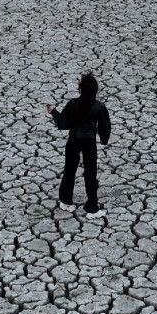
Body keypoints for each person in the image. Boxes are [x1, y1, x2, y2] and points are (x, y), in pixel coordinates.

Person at [47, 72, 112, 217]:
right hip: (89, 142)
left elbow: (63, 124)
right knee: (90, 174)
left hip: (73, 141)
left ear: (80, 89)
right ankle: (91, 208)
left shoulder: (73, 104)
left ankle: (66, 202)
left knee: (69, 170)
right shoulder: (99, 107)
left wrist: (53, 112)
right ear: (95, 89)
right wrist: (104, 139)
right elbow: (105, 127)